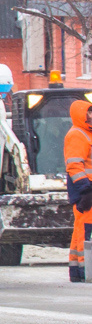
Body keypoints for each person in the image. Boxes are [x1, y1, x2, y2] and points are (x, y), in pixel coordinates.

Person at [64, 99, 92, 283]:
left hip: (86, 189)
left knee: (81, 228)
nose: (91, 115)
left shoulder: (86, 134)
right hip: (85, 189)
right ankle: (84, 268)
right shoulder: (77, 134)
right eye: (89, 112)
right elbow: (74, 165)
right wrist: (85, 190)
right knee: (85, 228)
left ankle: (78, 269)